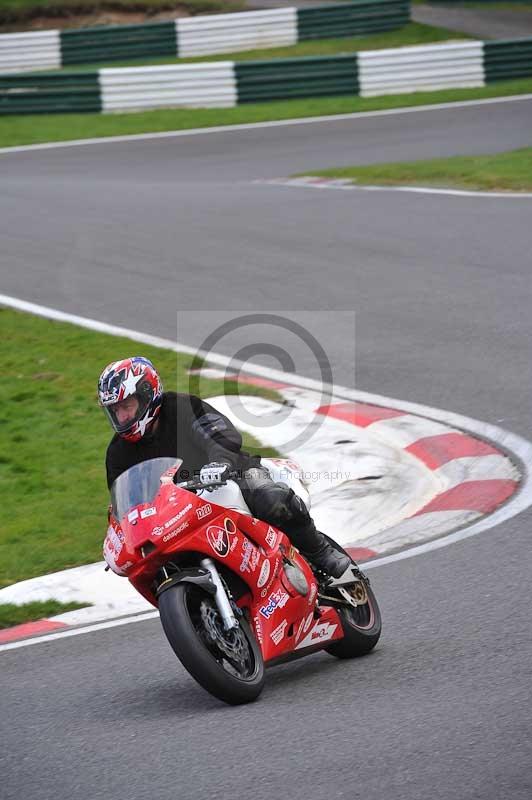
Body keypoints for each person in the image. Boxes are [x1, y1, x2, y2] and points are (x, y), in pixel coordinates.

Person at [98, 356, 350, 578]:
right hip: (176, 512)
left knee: (269, 498)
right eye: (115, 411)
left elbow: (218, 433)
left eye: (126, 407)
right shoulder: (117, 452)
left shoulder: (182, 408)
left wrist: (220, 461)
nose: (121, 418)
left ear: (146, 395)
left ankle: (319, 551)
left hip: (229, 476)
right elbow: (126, 501)